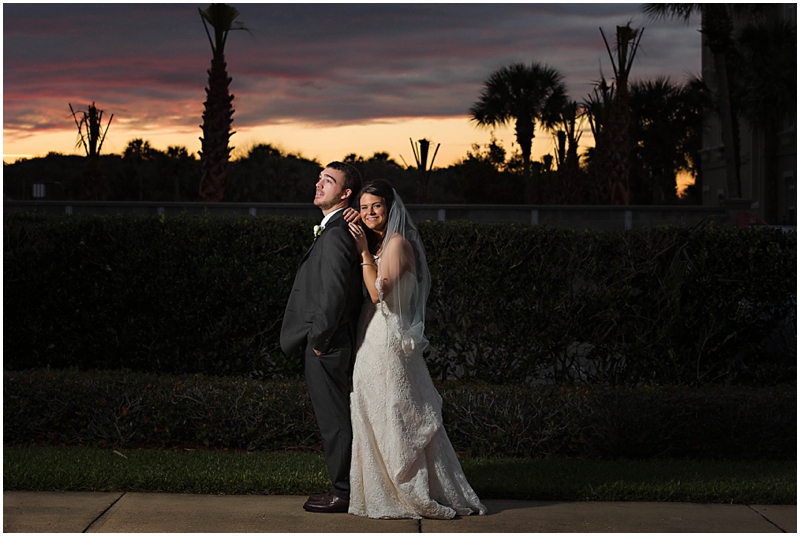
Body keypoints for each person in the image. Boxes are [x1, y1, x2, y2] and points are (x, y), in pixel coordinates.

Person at [344, 180, 488, 519]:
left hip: (387, 340)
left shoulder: (396, 244)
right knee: (373, 407)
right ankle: (380, 489)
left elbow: (379, 294)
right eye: (364, 208)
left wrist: (364, 253)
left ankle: (412, 490)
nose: (369, 213)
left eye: (375, 206)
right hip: (372, 338)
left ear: (390, 208)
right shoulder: (383, 244)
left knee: (396, 410)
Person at [280, 161, 363, 514]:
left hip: (327, 345)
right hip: (326, 341)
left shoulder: (336, 235)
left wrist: (319, 340)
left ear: (345, 194)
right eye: (319, 178)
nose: (319, 184)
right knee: (333, 417)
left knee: (334, 420)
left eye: (328, 180)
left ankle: (343, 491)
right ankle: (344, 487)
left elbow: (333, 294)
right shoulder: (336, 229)